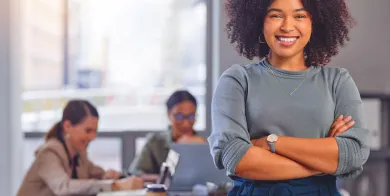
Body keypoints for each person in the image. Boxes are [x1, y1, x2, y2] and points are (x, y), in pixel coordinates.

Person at [208, 0, 370, 195]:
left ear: (315, 21)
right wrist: (325, 161)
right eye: (275, 15)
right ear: (259, 20)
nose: (287, 26)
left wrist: (270, 142)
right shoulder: (237, 80)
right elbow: (236, 158)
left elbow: (353, 154)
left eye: (299, 16)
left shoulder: (338, 81)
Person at [18, 100, 144, 196]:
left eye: (95, 131)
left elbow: (93, 173)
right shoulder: (48, 153)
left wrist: (107, 176)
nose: (93, 137)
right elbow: (64, 187)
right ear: (67, 126)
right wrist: (115, 186)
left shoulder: (78, 152)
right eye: (88, 130)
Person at [129, 90, 205, 182]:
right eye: (179, 117)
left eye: (191, 117)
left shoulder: (204, 144)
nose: (186, 124)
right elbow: (134, 173)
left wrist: (202, 148)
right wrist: (164, 179)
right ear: (169, 115)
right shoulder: (155, 142)